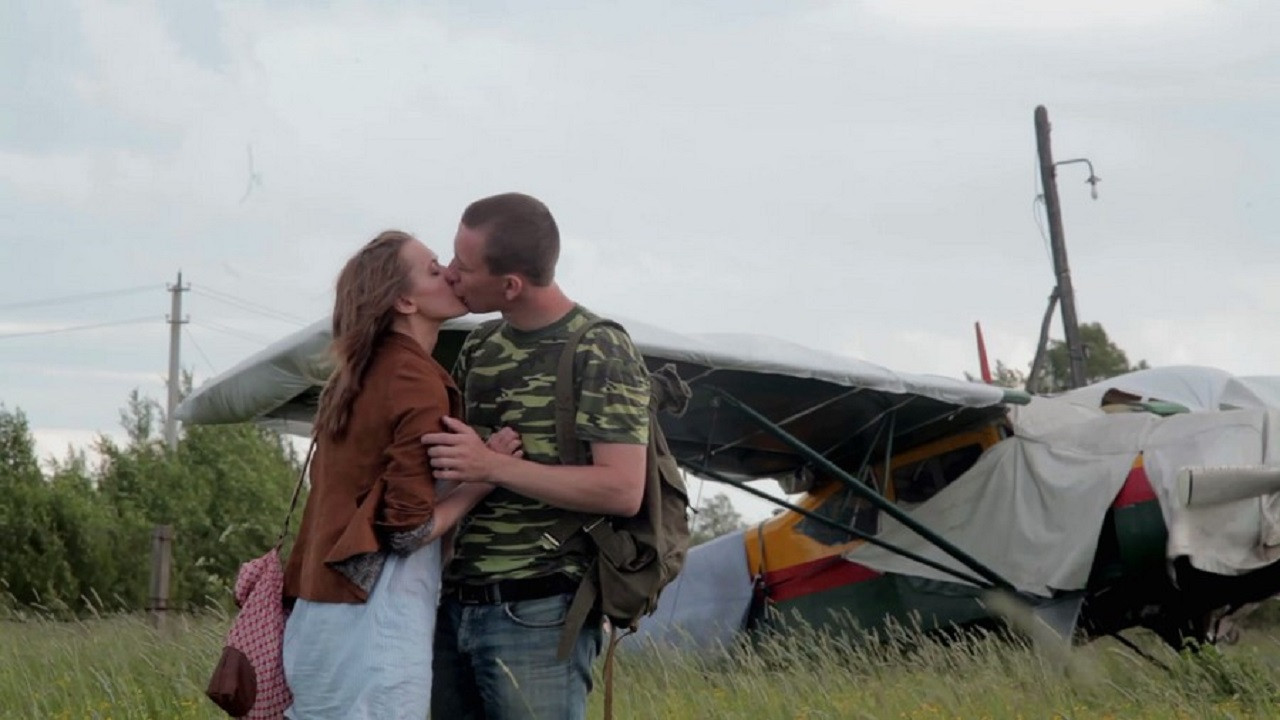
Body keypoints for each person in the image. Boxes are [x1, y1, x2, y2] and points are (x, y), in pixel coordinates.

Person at [423, 192, 652, 720]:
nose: (451, 272)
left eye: (465, 264)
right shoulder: (480, 347)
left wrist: (492, 466)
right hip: (453, 605)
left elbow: (621, 488)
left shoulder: (600, 349)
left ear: (511, 285)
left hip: (539, 614)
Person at [281, 230, 518, 719]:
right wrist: (485, 477)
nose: (450, 273)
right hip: (373, 623)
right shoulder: (414, 377)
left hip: (317, 617)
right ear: (405, 300)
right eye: (434, 269)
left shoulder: (357, 375)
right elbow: (407, 529)